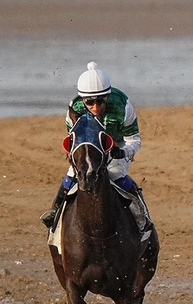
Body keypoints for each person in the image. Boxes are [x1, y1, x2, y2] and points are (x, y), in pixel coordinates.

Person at [42, 62, 152, 241]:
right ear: (83, 100)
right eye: (90, 102)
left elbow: (134, 139)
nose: (95, 107)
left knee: (117, 175)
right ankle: (54, 213)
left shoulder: (123, 106)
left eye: (100, 101)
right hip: (90, 151)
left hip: (115, 148)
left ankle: (141, 217)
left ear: (107, 97)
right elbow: (74, 141)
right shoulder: (74, 108)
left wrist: (123, 152)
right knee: (71, 176)